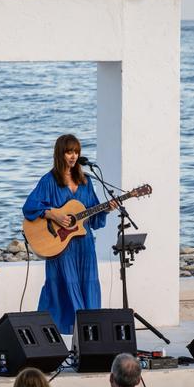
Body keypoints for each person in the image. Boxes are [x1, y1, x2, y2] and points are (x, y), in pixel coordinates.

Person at [22, 134, 115, 334]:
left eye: (76, 152)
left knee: (87, 286)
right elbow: (29, 207)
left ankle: (88, 335)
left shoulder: (86, 181)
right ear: (60, 153)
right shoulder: (49, 181)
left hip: (85, 245)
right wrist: (52, 213)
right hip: (60, 246)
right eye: (68, 152)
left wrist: (106, 209)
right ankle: (51, 333)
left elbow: (93, 214)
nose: (73, 156)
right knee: (63, 288)